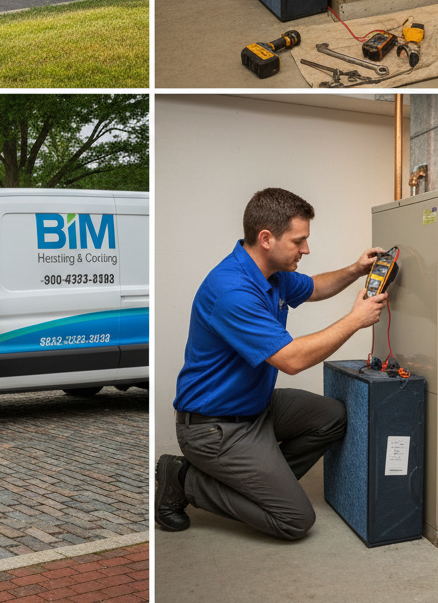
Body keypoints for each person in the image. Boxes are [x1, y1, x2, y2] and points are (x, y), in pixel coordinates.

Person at [154, 187, 387, 540]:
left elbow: (314, 287)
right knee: (294, 521)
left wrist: (356, 269)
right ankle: (184, 479)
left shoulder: (270, 274)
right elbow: (292, 360)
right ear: (266, 239)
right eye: (298, 241)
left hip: (255, 409)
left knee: (332, 416)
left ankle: (263, 485)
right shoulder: (233, 291)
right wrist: (355, 320)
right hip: (214, 428)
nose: (305, 249)